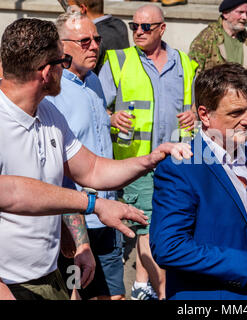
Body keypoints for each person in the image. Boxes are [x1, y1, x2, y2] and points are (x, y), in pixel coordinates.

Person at [0, 17, 192, 300]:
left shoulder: (49, 114)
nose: (65, 68)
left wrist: (150, 159)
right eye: (61, 60)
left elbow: (91, 168)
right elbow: (9, 191)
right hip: (10, 284)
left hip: (50, 274)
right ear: (45, 71)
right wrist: (93, 204)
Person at [149, 63, 247, 300]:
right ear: (204, 115)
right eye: (235, 113)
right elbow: (168, 247)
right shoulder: (181, 167)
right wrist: (245, 263)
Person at [99, 4, 198, 300]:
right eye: (134, 26)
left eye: (145, 27)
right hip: (136, 162)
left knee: (167, 223)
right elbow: (95, 106)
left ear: (162, 29)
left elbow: (193, 106)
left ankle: (142, 285)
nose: (138, 32)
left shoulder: (184, 62)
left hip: (175, 161)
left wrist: (193, 113)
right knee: (148, 227)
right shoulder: (119, 61)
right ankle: (164, 290)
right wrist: (111, 118)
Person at [45, 11, 125, 300]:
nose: (94, 46)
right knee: (75, 295)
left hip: (107, 217)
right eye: (85, 41)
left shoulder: (94, 81)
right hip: (74, 223)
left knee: (113, 296)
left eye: (97, 39)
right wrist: (78, 242)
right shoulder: (53, 91)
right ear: (62, 46)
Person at [0, 174, 149, 300]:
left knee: (114, 294)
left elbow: (67, 183)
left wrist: (82, 244)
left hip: (96, 230)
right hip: (64, 239)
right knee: (77, 292)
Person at [188, 0, 247, 90]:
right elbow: (192, 73)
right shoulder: (208, 37)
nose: (245, 17)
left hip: (240, 100)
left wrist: (246, 91)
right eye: (240, 12)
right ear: (226, 13)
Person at [66, 0, 130, 74]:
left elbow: (83, 73)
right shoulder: (120, 24)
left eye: (71, 9)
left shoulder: (91, 35)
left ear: (82, 9)